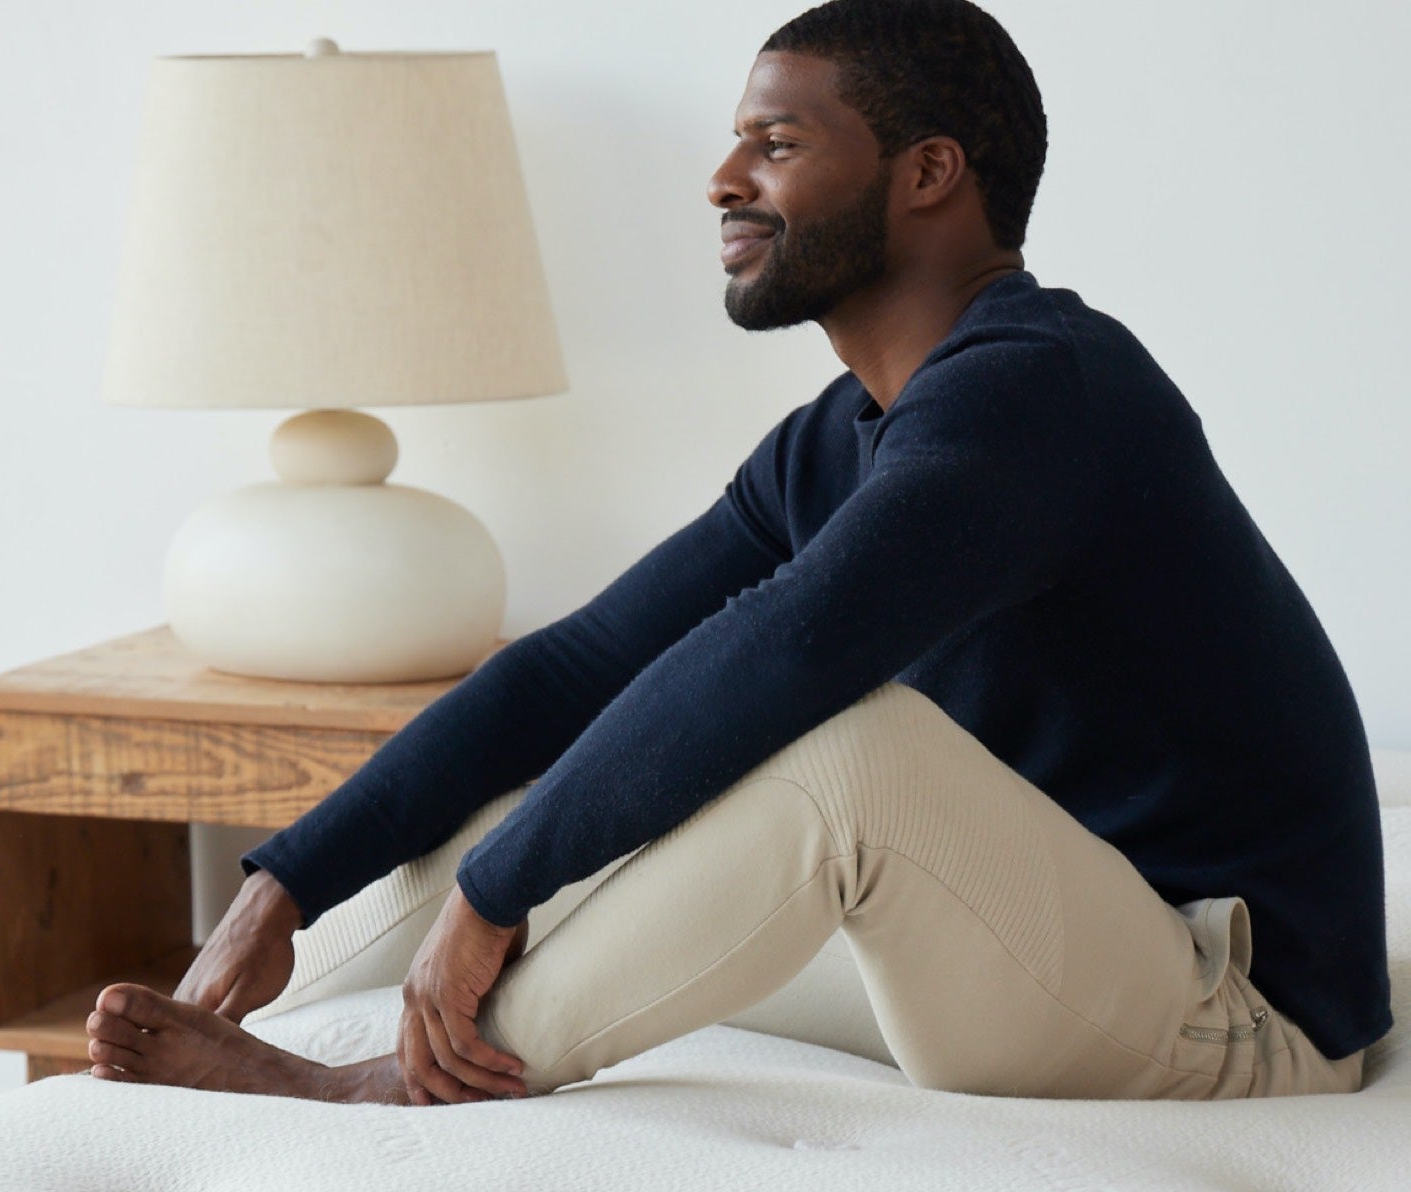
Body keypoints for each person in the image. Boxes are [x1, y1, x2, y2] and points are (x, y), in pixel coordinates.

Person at [84, 0, 1390, 1107]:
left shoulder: (1041, 393)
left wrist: (495, 899)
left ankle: (372, 1090)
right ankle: (246, 1017)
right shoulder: (840, 436)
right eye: (735, 144)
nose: (723, 180)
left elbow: (793, 651)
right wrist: (282, 887)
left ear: (928, 174)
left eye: (775, 144)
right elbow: (574, 669)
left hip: (1232, 1013)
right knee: (527, 795)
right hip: (1038, 951)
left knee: (855, 755)